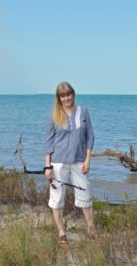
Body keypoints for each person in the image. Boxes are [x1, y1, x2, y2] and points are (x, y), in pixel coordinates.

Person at [44, 81, 95, 246]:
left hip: (79, 162)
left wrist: (88, 159)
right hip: (58, 164)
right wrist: (47, 166)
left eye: (68, 94)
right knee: (57, 198)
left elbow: (90, 137)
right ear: (59, 98)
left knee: (85, 195)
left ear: (73, 94)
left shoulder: (83, 112)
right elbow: (48, 142)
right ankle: (61, 233)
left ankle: (91, 229)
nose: (66, 98)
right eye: (63, 95)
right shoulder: (54, 115)